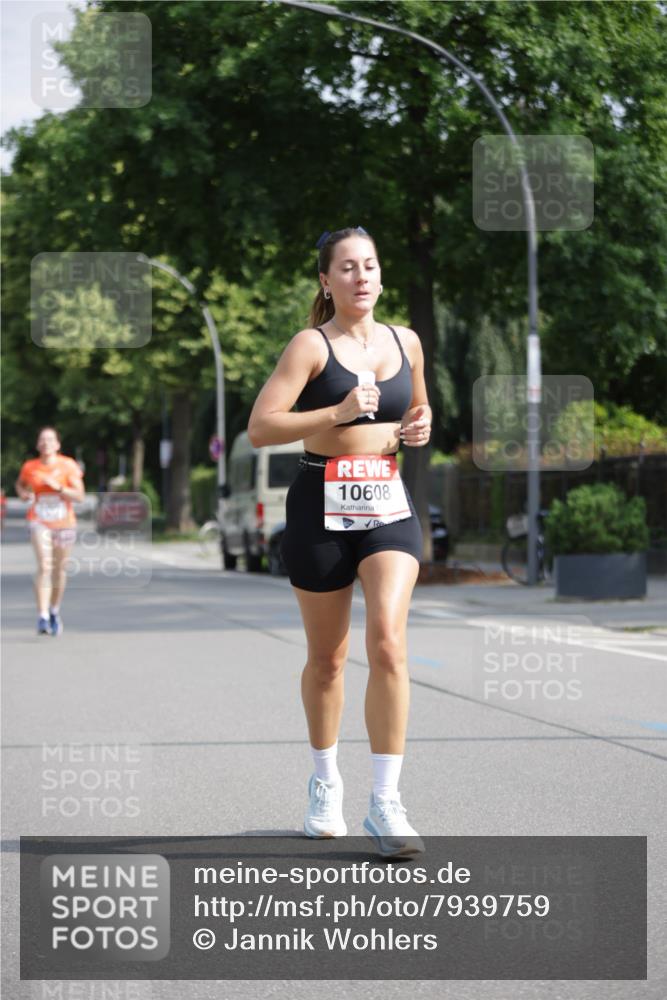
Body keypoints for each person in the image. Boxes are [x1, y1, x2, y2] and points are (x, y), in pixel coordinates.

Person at [248, 226, 432, 857]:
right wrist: (337, 412)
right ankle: (325, 782)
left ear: (381, 276)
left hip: (385, 500)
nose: (361, 276)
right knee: (328, 660)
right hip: (319, 502)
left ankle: (386, 803)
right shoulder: (310, 346)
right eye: (347, 268)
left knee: (387, 641)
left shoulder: (407, 342)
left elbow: (418, 413)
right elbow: (261, 428)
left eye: (371, 265)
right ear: (326, 280)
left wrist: (419, 427)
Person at [14, 426, 85, 636]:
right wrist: (23, 494)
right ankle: (42, 616)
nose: (46, 443)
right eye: (42, 440)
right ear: (37, 445)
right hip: (39, 520)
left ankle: (54, 610)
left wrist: (59, 487)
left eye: (50, 440)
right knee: (44, 566)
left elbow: (79, 496)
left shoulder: (68, 465)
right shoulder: (30, 467)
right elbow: (20, 485)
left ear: (58, 445)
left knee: (59, 570)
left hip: (64, 522)